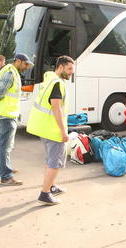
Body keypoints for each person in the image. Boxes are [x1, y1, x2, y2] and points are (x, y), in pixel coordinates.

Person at [27, 55, 74, 205]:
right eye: (69, 68)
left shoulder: (49, 78)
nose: (71, 72)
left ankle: (51, 186)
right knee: (55, 162)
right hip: (53, 130)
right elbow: (56, 108)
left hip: (43, 127)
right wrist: (63, 131)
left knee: (49, 160)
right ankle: (45, 193)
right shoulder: (57, 84)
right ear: (60, 67)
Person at [0, 54, 33, 186]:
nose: (26, 67)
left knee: (5, 146)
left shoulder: (12, 71)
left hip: (8, 114)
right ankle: (6, 176)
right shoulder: (10, 73)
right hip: (6, 115)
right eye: (25, 64)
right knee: (5, 146)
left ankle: (5, 168)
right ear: (18, 61)